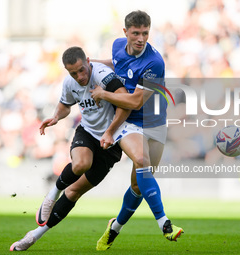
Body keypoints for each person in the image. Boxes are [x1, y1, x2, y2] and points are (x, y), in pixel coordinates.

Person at [10, 46, 133, 251]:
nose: (79, 76)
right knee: (81, 164)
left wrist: (110, 131)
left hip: (109, 142)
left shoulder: (104, 76)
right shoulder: (70, 82)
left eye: (81, 70)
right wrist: (56, 116)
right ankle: (52, 193)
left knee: (75, 191)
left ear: (87, 61)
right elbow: (65, 104)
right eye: (73, 73)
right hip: (87, 132)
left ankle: (34, 235)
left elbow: (126, 104)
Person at [90, 10, 183, 251]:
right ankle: (165, 223)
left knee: (138, 185)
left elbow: (136, 101)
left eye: (145, 33)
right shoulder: (118, 45)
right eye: (136, 33)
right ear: (125, 33)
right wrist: (92, 65)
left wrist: (102, 93)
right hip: (127, 121)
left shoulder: (154, 62)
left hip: (154, 122)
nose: (141, 38)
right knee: (142, 159)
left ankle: (115, 228)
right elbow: (117, 64)